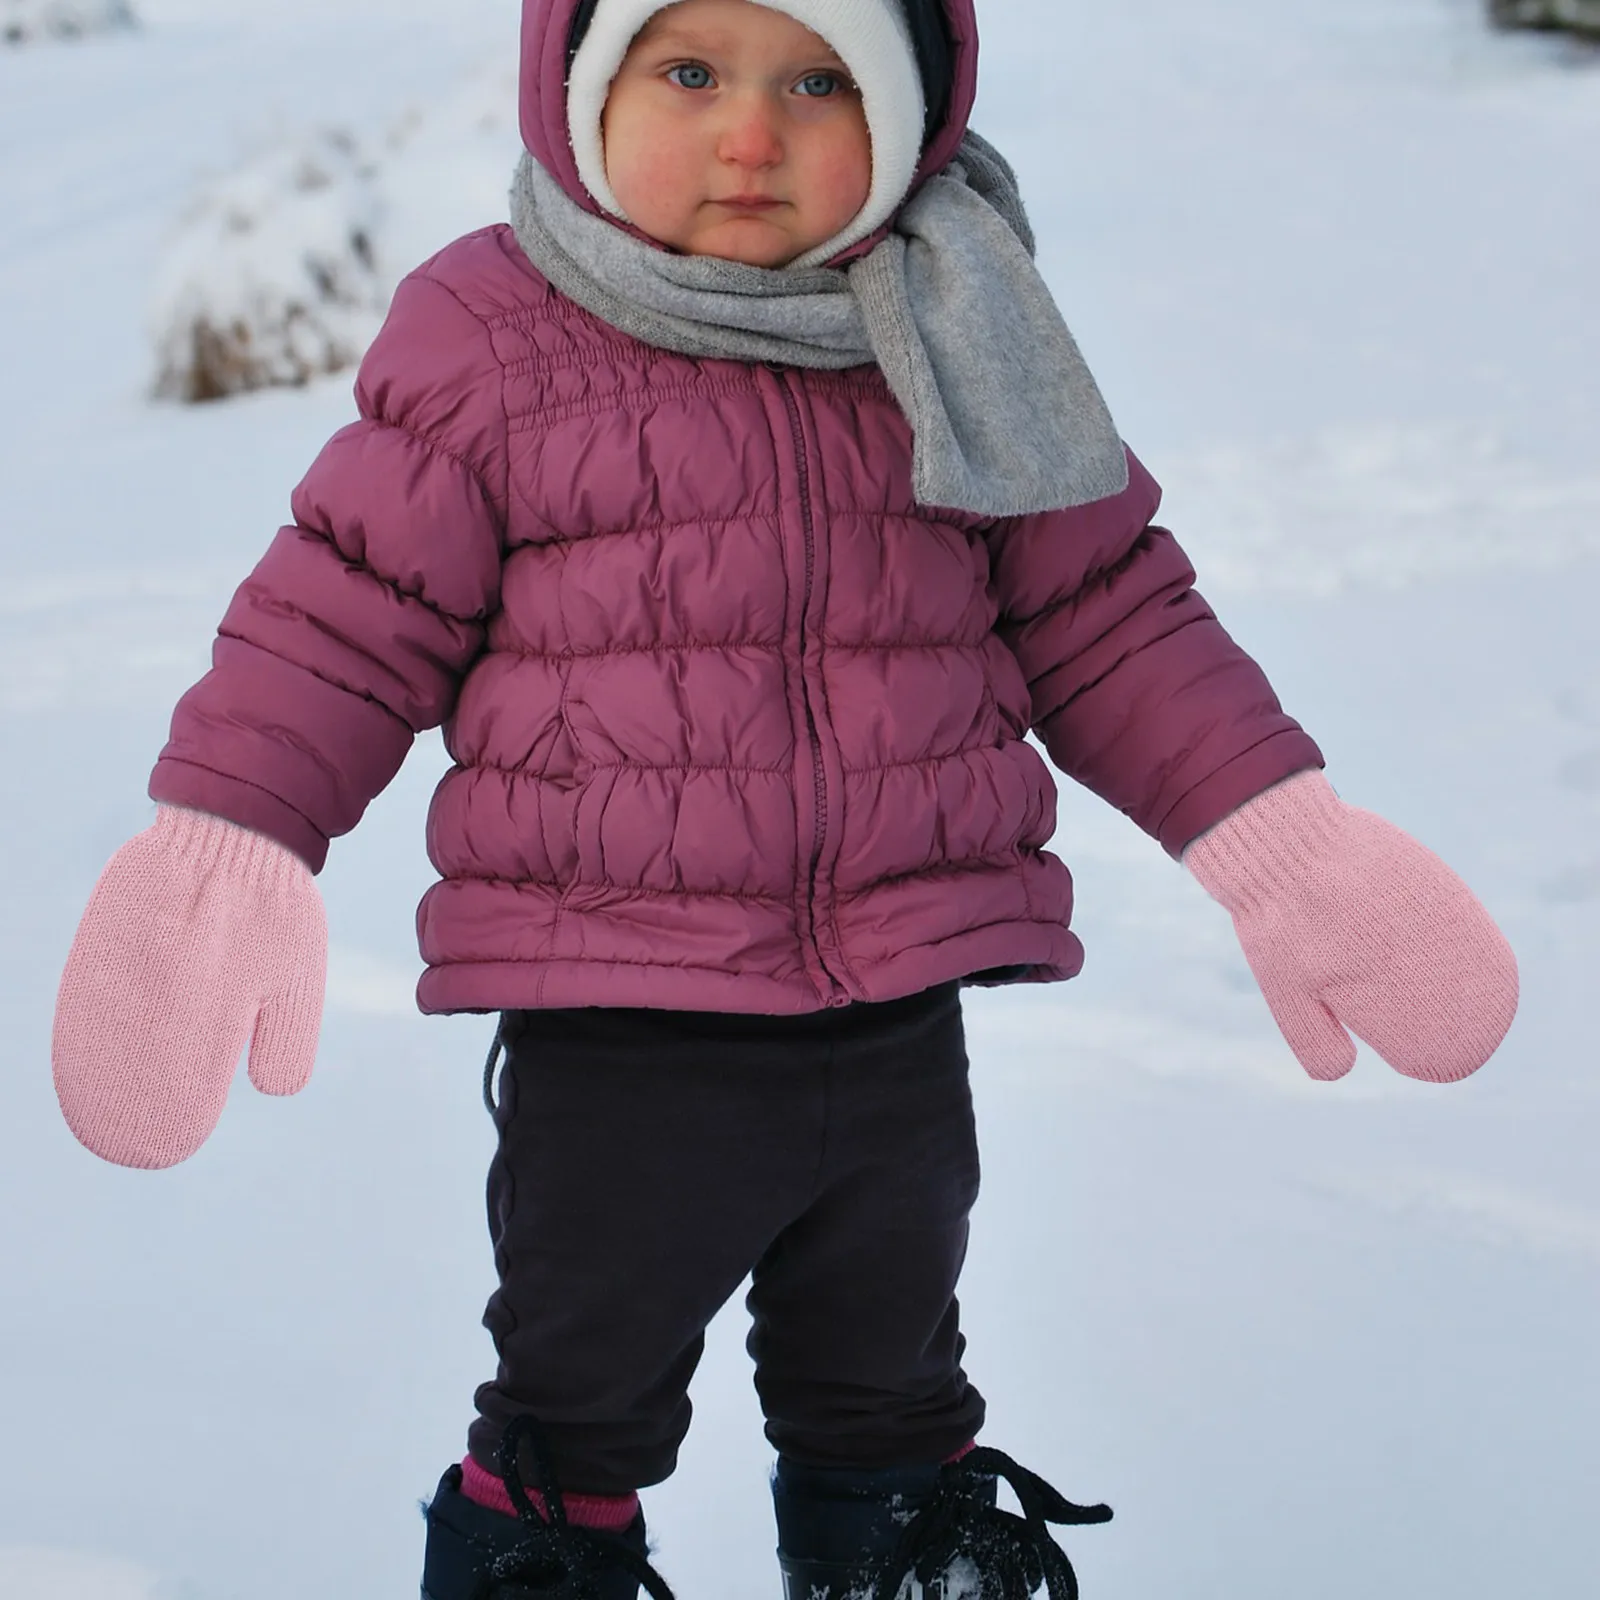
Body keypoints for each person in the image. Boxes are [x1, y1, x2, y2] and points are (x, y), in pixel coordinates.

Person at [50, 1, 1520, 1596]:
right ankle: (539, 1568)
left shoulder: (958, 321)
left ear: (913, 112)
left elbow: (1105, 611)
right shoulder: (496, 333)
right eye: (690, 72)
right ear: (579, 91)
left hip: (895, 1012)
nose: (753, 134)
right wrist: (230, 829)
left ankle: (904, 1560)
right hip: (620, 1023)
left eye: (820, 81)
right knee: (577, 1399)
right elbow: (345, 609)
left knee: (890, 1384)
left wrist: (1273, 832)